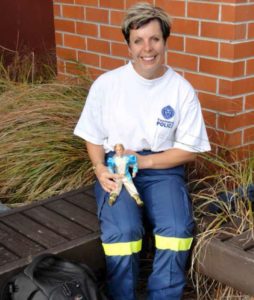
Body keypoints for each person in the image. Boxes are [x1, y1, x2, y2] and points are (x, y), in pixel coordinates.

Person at [74, 2, 211, 300]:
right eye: (138, 41)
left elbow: (189, 151)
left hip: (163, 169)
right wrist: (100, 168)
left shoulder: (181, 90)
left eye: (154, 39)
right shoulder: (107, 85)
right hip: (117, 168)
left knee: (176, 230)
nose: (147, 48)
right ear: (128, 46)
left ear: (165, 41)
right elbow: (93, 135)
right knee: (123, 233)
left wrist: (145, 160)